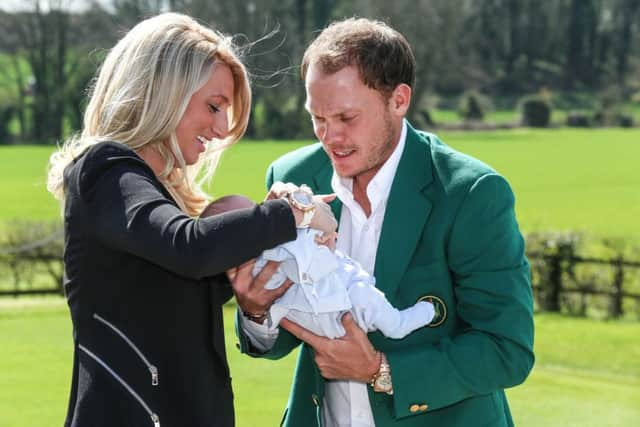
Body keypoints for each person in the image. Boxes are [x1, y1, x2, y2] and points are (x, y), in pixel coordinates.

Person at [236, 17, 535, 427]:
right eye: (317, 118)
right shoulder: (291, 178)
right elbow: (296, 324)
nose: (329, 137)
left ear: (399, 100)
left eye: (346, 118)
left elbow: (507, 349)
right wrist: (256, 312)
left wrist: (380, 369)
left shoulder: (472, 193)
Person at [46, 13, 335, 427]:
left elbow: (183, 283)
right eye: (214, 106)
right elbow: (191, 247)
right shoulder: (104, 170)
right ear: (164, 92)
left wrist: (250, 293)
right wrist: (293, 213)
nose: (221, 129)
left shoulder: (153, 198)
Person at [202, 194, 438, 341]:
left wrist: (316, 233)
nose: (264, 216)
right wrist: (254, 314)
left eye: (258, 210)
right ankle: (402, 323)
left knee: (369, 299)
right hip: (332, 306)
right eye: (250, 219)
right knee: (375, 307)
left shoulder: (282, 215)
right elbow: (297, 268)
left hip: (340, 288)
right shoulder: (259, 262)